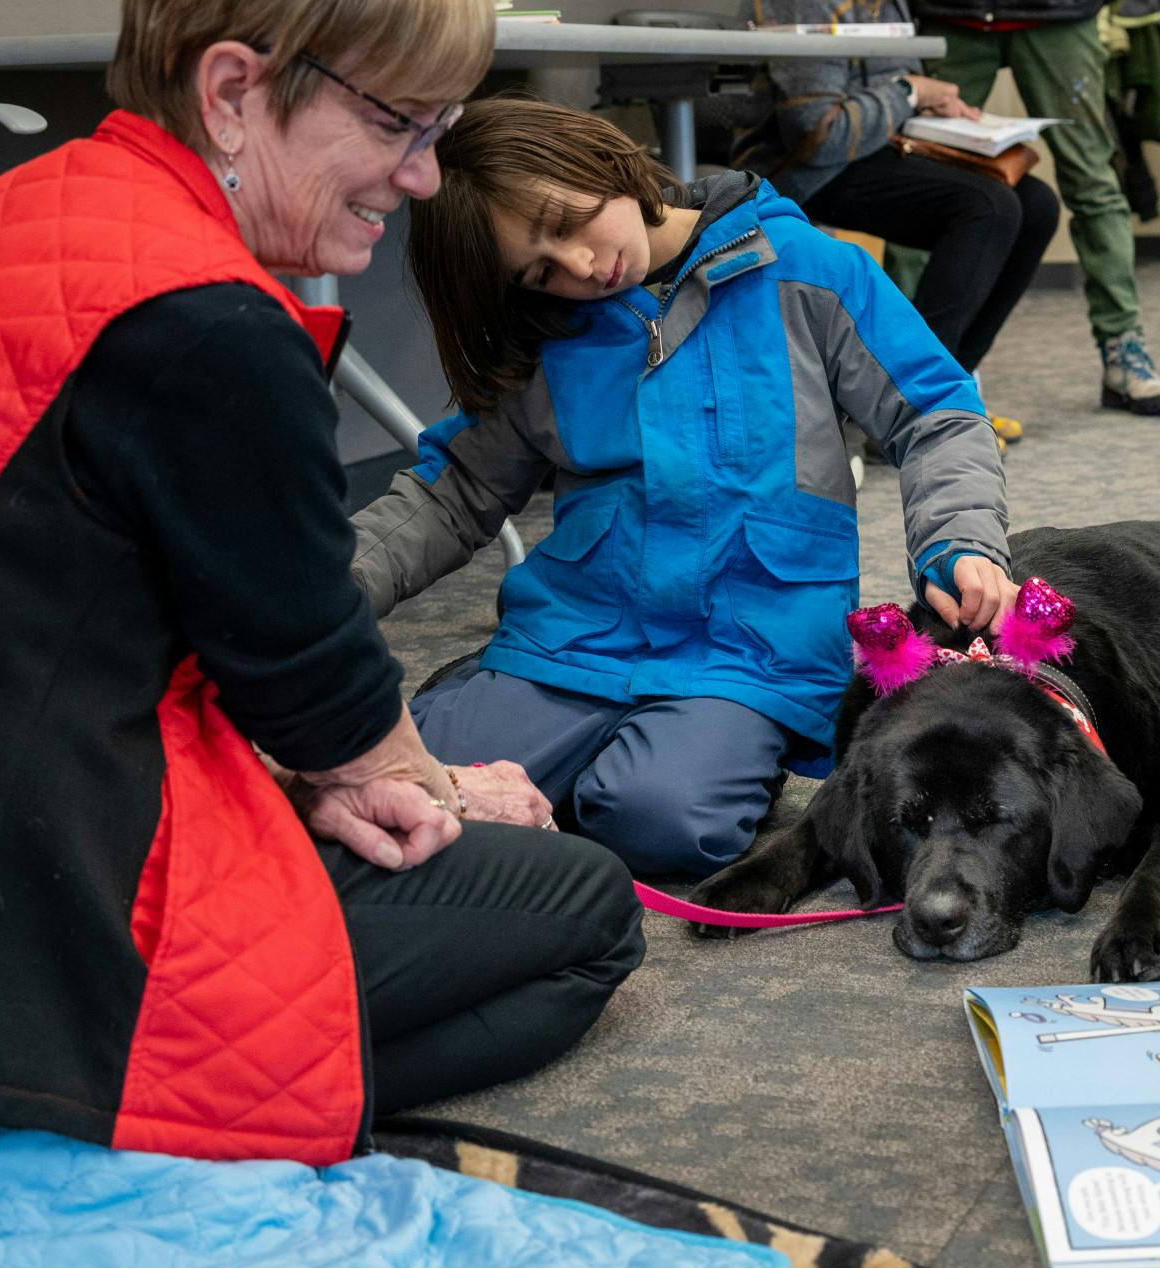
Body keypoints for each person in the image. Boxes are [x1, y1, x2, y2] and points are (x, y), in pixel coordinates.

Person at [0, 0, 646, 1166]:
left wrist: (342, 762)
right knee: (586, 910)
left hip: (42, 772)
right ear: (234, 93)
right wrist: (420, 781)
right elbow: (309, 676)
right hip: (65, 885)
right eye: (401, 124)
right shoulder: (210, 324)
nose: (426, 176)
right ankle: (110, 1101)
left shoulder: (37, 209)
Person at [351, 95, 1015, 885]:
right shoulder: (547, 330)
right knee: (398, 788)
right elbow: (451, 490)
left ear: (599, 158)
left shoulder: (811, 271)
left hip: (748, 654)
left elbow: (937, 412)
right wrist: (329, 586)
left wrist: (961, 541)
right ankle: (497, 701)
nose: (582, 268)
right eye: (539, 270)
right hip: (574, 642)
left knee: (659, 823)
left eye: (568, 223)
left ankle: (698, 754)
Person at [730, 0, 1059, 446]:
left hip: (879, 150)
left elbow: (895, 100)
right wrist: (910, 92)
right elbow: (818, 135)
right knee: (989, 207)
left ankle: (949, 393)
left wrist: (939, 111)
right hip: (803, 170)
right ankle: (915, 408)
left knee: (1037, 204)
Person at [900, 0, 1160, 417]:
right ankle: (904, 364)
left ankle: (1124, 349)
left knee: (1091, 181)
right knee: (922, 180)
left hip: (1061, 14)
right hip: (951, 14)